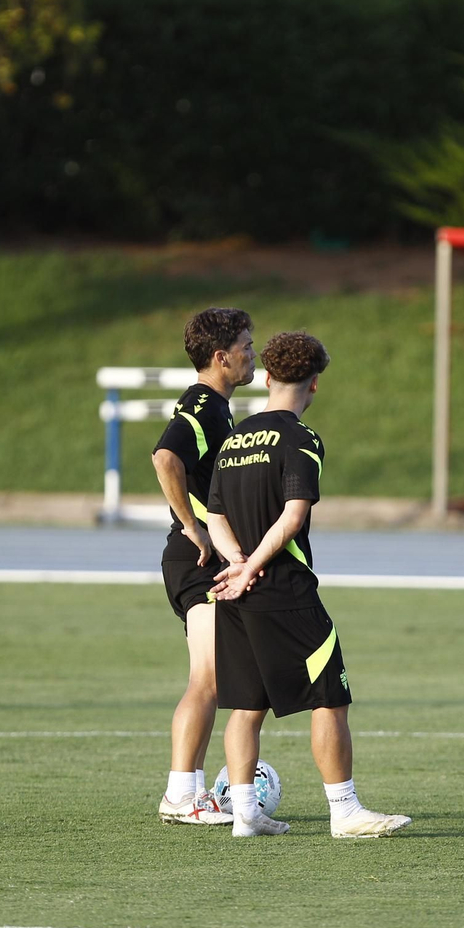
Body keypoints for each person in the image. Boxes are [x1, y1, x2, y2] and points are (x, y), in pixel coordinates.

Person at [205, 331, 411, 839]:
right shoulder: (301, 439)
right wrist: (254, 565)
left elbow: (214, 515)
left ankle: (247, 815)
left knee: (246, 705)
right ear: (314, 384)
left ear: (269, 377)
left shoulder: (233, 439)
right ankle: (344, 811)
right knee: (329, 697)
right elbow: (294, 516)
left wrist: (235, 565)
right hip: (284, 590)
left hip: (234, 590)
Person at [151, 307, 256, 825]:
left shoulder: (218, 408)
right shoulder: (203, 406)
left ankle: (188, 794)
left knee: (212, 678)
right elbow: (164, 457)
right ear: (221, 357)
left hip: (202, 559)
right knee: (207, 680)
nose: (251, 354)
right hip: (194, 559)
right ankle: (180, 796)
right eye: (246, 346)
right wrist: (191, 524)